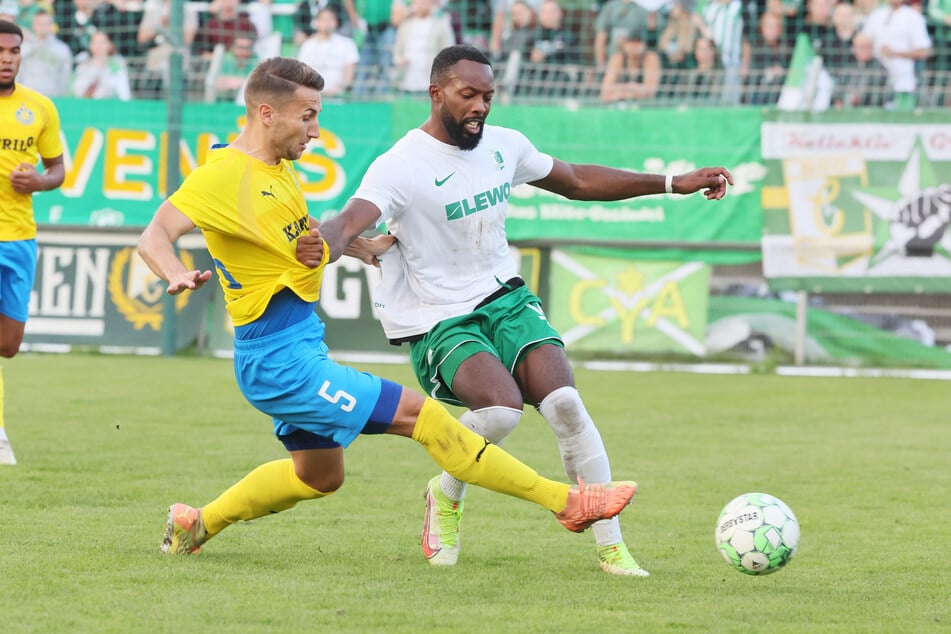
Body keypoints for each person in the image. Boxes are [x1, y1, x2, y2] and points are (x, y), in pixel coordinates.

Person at [136, 56, 639, 557]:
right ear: (267, 113)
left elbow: (288, 235)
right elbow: (154, 235)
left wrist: (359, 247)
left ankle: (194, 524)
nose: (315, 129)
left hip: (301, 347)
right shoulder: (222, 174)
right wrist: (175, 272)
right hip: (278, 362)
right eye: (307, 116)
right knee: (424, 416)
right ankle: (566, 501)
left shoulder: (278, 169)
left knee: (319, 478)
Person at [301, 44, 733, 576]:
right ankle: (447, 492)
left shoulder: (505, 147)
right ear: (436, 93)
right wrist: (319, 245)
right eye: (468, 95)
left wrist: (673, 183)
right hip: (442, 319)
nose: (481, 106)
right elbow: (348, 222)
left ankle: (612, 548)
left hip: (505, 298)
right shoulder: (401, 165)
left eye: (488, 96)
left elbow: (576, 181)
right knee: (501, 412)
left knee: (567, 405)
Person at [0, 19, 66, 465]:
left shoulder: (39, 108)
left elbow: (58, 170)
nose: (7, 59)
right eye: (1, 51)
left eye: (14, 52)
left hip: (19, 237)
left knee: (7, 344)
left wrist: (38, 181)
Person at [861, 0, 933, 110]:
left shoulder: (914, 17)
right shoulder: (876, 15)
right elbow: (863, 40)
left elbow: (924, 51)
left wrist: (894, 53)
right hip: (875, 75)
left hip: (904, 75)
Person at [297, 6, 359, 97]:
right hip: (312, 96)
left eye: (330, 19)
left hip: (338, 96)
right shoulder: (308, 45)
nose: (326, 22)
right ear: (316, 23)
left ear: (336, 22)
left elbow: (349, 73)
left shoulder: (347, 44)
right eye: (323, 19)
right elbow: (303, 73)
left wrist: (338, 90)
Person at [18, 9, 73, 97]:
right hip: (26, 96)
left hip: (52, 97)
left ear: (52, 25)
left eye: (46, 23)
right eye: (39, 23)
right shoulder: (23, 48)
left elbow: (65, 77)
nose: (42, 27)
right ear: (33, 25)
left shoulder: (62, 50)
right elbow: (18, 73)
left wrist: (60, 95)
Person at [71, 30, 132, 100]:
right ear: (90, 45)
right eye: (96, 42)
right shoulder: (82, 67)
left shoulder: (117, 66)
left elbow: (124, 94)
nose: (99, 45)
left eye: (102, 42)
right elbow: (75, 92)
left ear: (109, 45)